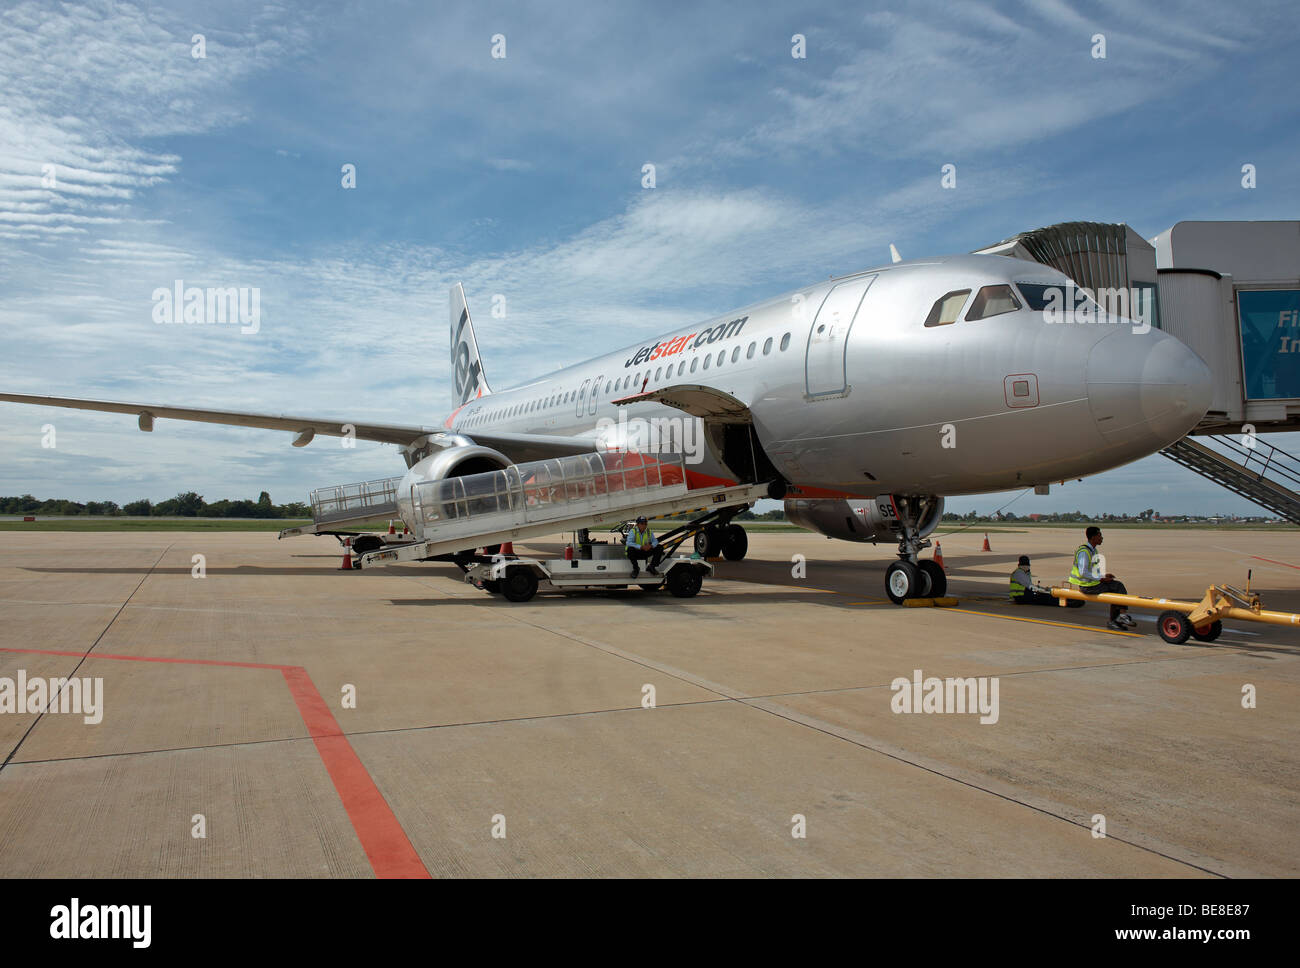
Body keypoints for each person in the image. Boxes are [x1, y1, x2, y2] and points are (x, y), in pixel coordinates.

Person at [1069, 527, 1136, 630]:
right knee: (1118, 586)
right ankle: (1121, 616)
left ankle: (1115, 621)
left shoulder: (1093, 550)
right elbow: (1083, 572)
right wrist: (1101, 579)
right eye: (1099, 535)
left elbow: (1092, 571)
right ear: (1093, 537)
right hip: (1087, 586)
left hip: (1092, 584)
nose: (1102, 538)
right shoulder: (1084, 552)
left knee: (1115, 588)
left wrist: (1104, 576)